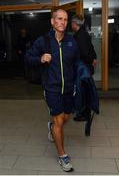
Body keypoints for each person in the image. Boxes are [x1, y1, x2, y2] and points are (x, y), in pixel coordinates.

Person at [25, 9, 79, 172]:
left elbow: (75, 63)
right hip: (51, 88)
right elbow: (28, 58)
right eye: (59, 19)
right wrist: (40, 58)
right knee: (59, 122)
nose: (63, 22)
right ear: (52, 21)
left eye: (65, 19)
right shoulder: (43, 41)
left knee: (65, 118)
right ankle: (63, 156)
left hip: (69, 88)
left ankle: (50, 127)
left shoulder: (71, 41)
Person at [71, 14, 97, 122]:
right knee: (85, 90)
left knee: (83, 91)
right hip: (86, 66)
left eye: (71, 22)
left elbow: (84, 53)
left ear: (75, 24)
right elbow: (91, 47)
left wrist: (91, 60)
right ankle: (85, 112)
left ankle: (84, 114)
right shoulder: (83, 33)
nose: (71, 24)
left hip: (83, 67)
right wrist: (94, 58)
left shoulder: (80, 35)